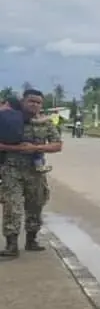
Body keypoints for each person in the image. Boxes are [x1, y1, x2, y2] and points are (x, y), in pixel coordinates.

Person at [0, 89, 62, 258]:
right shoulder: (8, 120)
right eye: (31, 101)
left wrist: (35, 148)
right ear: (23, 102)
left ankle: (31, 240)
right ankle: (11, 245)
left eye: (38, 102)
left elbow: (57, 145)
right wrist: (17, 148)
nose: (34, 104)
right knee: (12, 206)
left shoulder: (45, 123)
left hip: (36, 171)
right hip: (12, 170)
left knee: (35, 205)